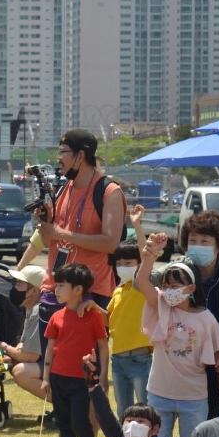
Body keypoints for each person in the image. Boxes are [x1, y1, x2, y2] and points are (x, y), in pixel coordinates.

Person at [157, 212, 219, 421]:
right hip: (195, 365)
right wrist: (149, 255)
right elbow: (143, 282)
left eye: (205, 241)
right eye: (192, 240)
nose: (197, 245)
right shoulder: (179, 268)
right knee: (205, 423)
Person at [136, 235, 219, 437]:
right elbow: (143, 282)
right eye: (165, 286)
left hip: (193, 396)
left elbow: (216, 356)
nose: (168, 291)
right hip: (159, 392)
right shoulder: (162, 305)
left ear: (191, 288)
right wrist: (149, 256)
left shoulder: (206, 319)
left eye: (175, 286)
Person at [36, 130, 126, 349]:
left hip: (91, 293)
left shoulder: (109, 191)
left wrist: (60, 233)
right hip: (55, 289)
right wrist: (46, 224)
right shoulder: (61, 190)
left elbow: (110, 243)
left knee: (86, 370)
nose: (58, 158)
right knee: (53, 367)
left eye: (63, 152)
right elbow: (51, 242)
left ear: (81, 156)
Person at [41, 263, 109, 437]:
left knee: (81, 421)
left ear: (78, 289)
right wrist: (45, 379)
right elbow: (50, 350)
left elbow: (103, 346)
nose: (56, 289)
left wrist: (104, 376)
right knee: (63, 422)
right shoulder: (56, 317)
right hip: (58, 377)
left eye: (61, 285)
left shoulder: (93, 316)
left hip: (82, 378)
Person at [107, 236, 153, 419]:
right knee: (122, 411)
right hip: (117, 359)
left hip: (140, 358)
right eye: (119, 263)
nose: (123, 267)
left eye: (128, 262)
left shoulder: (141, 287)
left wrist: (137, 225)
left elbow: (147, 257)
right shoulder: (118, 290)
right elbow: (109, 318)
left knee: (146, 410)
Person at [0, 265, 47, 401]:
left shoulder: (38, 312)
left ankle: (65, 409)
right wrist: (12, 355)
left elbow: (30, 357)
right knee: (12, 362)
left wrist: (1, 345)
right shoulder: (31, 308)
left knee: (22, 372)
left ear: (34, 291)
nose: (14, 288)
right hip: (51, 363)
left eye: (19, 284)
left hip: (63, 368)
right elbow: (23, 344)